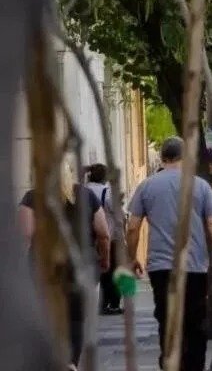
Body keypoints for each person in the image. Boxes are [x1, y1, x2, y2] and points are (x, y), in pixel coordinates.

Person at [126, 136, 212, 371]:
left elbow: (132, 226)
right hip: (193, 267)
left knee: (167, 321)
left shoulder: (146, 186)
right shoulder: (200, 186)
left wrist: (131, 257)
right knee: (195, 324)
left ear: (162, 158)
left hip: (161, 268)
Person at [17, 159, 110, 371]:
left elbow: (25, 234)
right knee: (76, 319)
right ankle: (71, 363)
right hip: (81, 267)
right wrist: (105, 259)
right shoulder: (87, 195)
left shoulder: (33, 197)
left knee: (46, 315)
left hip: (44, 268)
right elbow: (103, 233)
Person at [85, 163, 125, 315]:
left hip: (89, 239)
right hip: (108, 236)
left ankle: (100, 303)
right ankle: (113, 304)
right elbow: (118, 214)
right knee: (113, 271)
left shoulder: (83, 190)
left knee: (98, 273)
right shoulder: (106, 192)